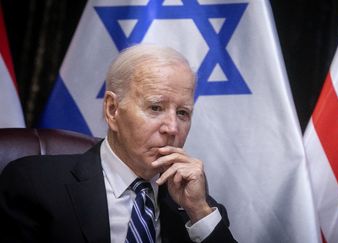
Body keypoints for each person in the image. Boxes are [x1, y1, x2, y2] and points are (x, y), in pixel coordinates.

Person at [0, 44, 237, 243]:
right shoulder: (34, 183)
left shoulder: (195, 207)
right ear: (112, 109)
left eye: (183, 113)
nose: (173, 128)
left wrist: (199, 211)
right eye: (155, 107)